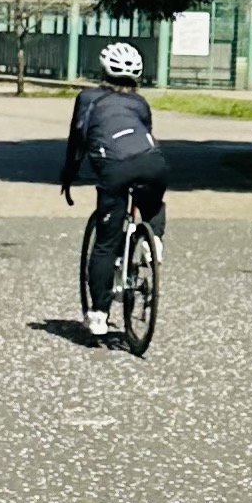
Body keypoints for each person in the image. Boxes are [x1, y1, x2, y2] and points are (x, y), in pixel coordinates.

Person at [63, 39, 167, 339]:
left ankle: (98, 314)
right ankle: (152, 240)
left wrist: (68, 177)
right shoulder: (140, 103)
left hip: (113, 169)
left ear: (102, 71)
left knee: (106, 244)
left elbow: (76, 141)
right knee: (154, 205)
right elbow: (144, 134)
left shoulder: (87, 98)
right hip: (153, 164)